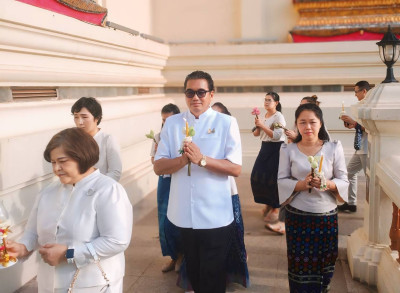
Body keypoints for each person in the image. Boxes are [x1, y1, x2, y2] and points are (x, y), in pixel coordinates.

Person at [7, 128, 133, 293]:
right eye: (53, 162)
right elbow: (32, 233)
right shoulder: (48, 192)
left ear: (82, 157)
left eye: (62, 161)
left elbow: (117, 240)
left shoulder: (108, 190)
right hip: (49, 283)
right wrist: (22, 247)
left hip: (93, 285)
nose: (56, 168)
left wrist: (69, 253)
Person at [154, 71, 242, 293]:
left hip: (215, 214)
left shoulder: (226, 123)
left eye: (201, 92)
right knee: (192, 273)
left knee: (213, 276)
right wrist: (184, 159)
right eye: (190, 92)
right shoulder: (173, 124)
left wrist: (202, 160)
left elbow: (235, 168)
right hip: (183, 214)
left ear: (211, 94)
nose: (196, 97)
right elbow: (159, 166)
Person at [278, 103, 349, 292]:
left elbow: (343, 180)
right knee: (299, 264)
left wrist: (328, 183)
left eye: (312, 122)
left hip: (326, 217)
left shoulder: (333, 148)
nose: (307, 127)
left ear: (320, 124)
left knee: (325, 261)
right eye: (303, 122)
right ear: (296, 125)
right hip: (298, 217)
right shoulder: (288, 150)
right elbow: (281, 179)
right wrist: (302, 184)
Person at [150, 103, 183, 273]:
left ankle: (183, 256)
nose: (166, 124)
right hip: (164, 181)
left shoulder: (183, 136)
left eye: (169, 120)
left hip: (179, 180)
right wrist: (157, 152)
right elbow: (155, 165)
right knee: (164, 220)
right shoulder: (158, 137)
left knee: (179, 220)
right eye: (163, 120)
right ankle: (172, 256)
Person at [250, 92, 286, 230]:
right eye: (265, 100)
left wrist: (262, 125)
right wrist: (258, 125)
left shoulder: (279, 117)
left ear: (276, 103)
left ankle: (275, 208)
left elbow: (277, 136)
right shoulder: (264, 116)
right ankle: (268, 203)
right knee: (257, 176)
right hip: (265, 147)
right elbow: (256, 134)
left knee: (273, 179)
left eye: (269, 100)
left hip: (276, 149)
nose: (266, 102)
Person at [71, 97, 122, 181]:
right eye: (76, 117)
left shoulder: (107, 139)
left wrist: (95, 187)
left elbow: (115, 173)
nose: (79, 122)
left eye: (84, 117)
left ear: (96, 118)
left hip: (100, 190)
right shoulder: (73, 141)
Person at [338, 80, 370, 213]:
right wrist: (352, 124)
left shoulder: (370, 107)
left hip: (368, 149)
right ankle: (351, 203)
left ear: (364, 91)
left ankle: (371, 206)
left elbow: (370, 128)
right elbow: (361, 127)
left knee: (370, 178)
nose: (355, 94)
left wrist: (354, 123)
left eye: (356, 91)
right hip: (360, 147)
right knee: (349, 172)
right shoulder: (361, 106)